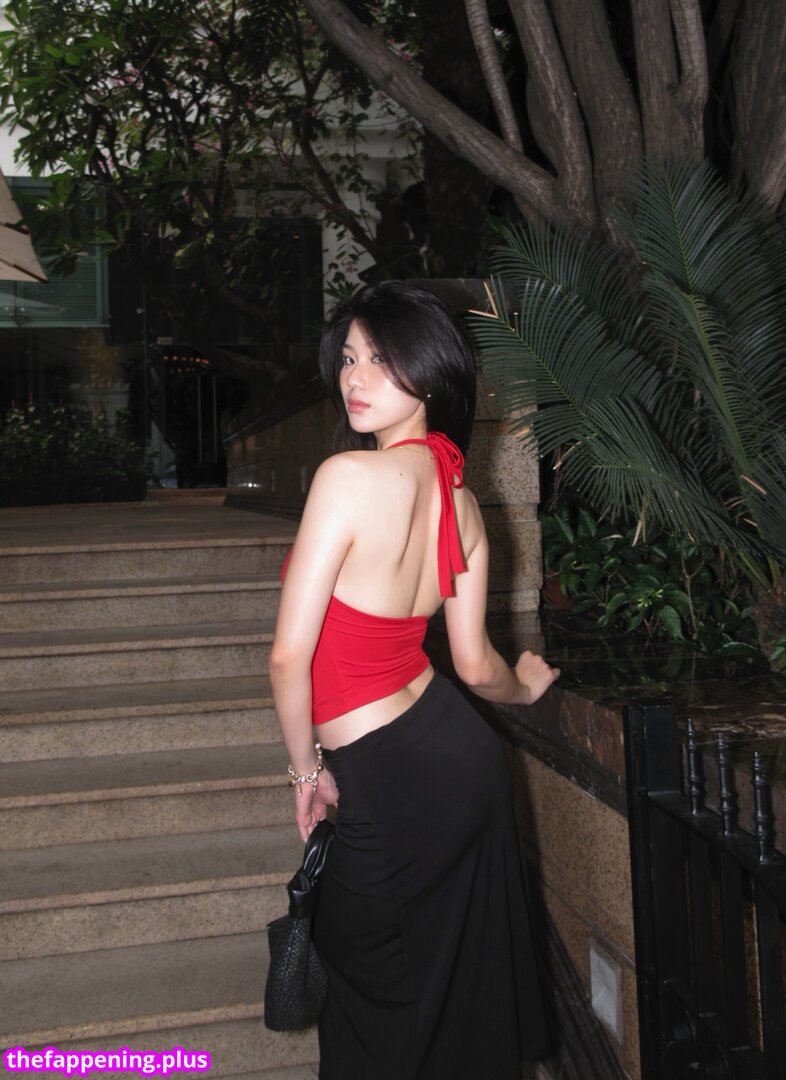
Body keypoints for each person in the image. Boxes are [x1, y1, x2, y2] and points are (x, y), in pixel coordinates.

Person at [269, 280, 560, 1080]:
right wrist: (527, 686)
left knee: (369, 994)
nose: (355, 378)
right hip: (460, 760)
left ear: (430, 373)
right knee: (449, 983)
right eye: (349, 358)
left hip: (381, 778)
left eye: (381, 359)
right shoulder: (463, 502)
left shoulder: (345, 478)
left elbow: (289, 658)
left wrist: (305, 773)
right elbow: (476, 666)